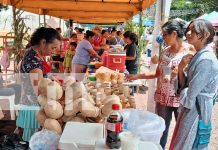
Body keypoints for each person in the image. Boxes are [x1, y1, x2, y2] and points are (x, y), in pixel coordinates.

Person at [127, 19, 195, 149]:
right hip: (163, 97)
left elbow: (195, 77)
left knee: (181, 132)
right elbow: (157, 73)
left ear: (174, 34)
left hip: (180, 98)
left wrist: (180, 71)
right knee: (161, 130)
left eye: (165, 35)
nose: (163, 37)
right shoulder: (165, 51)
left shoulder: (190, 50)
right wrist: (137, 76)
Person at [170, 19, 218, 150]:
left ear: (206, 35)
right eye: (188, 30)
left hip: (197, 109)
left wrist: (184, 91)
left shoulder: (206, 59)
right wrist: (181, 68)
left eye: (194, 31)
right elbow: (188, 86)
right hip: (193, 107)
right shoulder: (199, 55)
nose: (188, 33)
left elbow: (190, 95)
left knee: (188, 143)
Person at [16, 27, 61, 141]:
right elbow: (39, 90)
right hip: (34, 106)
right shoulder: (34, 60)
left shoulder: (33, 53)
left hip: (29, 102)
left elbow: (40, 80)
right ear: (43, 42)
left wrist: (51, 79)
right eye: (53, 47)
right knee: (34, 141)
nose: (54, 51)